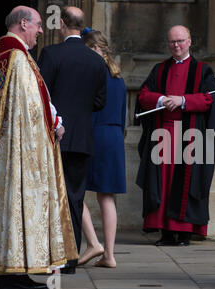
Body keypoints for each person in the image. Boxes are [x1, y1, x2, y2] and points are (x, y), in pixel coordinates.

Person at [0, 6, 78, 289]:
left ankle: (7, 270)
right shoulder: (18, 58)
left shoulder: (4, 54)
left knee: (10, 205)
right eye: (36, 25)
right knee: (20, 202)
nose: (40, 31)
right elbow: (30, 108)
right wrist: (55, 124)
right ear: (23, 24)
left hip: (6, 151)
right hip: (22, 150)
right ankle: (14, 273)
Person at [135, 25, 215, 246]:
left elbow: (209, 99)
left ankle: (184, 233)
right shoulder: (160, 69)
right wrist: (163, 100)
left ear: (190, 41)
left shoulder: (203, 71)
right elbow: (143, 95)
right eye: (172, 42)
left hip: (190, 138)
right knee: (163, 184)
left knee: (185, 183)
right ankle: (165, 232)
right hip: (162, 136)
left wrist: (183, 101)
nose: (176, 46)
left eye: (180, 41)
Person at [38, 6, 107, 274]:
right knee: (75, 199)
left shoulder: (51, 53)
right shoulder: (96, 60)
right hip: (82, 139)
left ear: (63, 24)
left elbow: (41, 95)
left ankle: (51, 255)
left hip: (53, 136)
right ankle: (70, 259)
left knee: (50, 197)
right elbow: (100, 101)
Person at [77, 28, 127, 268]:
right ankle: (109, 254)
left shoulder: (92, 73)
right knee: (107, 196)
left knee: (72, 190)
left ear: (96, 49)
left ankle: (94, 243)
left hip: (96, 134)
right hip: (115, 136)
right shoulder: (119, 77)